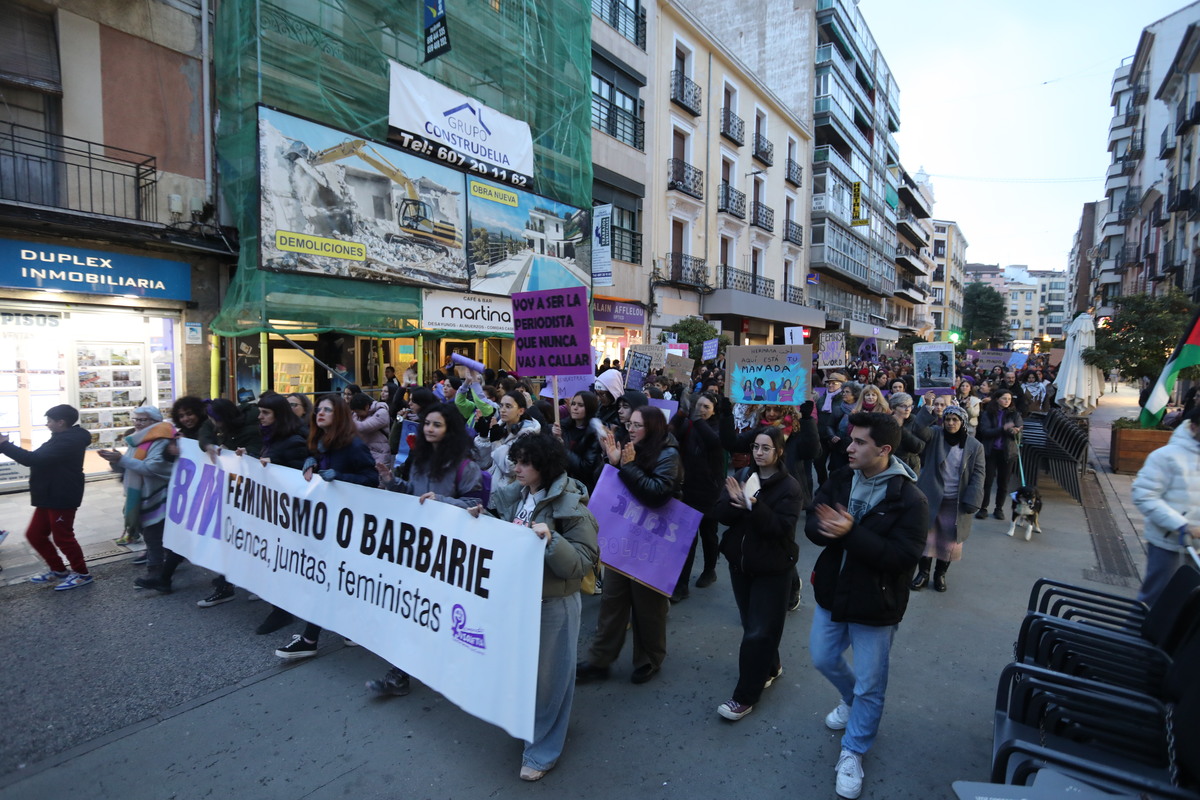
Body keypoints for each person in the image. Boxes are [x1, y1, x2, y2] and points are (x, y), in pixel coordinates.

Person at [806, 412, 929, 800]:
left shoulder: (910, 498)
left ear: (885, 450)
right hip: (833, 592)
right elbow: (814, 518)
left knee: (872, 684)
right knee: (823, 658)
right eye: (850, 438)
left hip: (876, 604)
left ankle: (853, 751)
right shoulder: (841, 477)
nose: (849, 446)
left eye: (859, 442)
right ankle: (849, 700)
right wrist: (823, 529)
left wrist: (851, 533)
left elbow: (901, 558)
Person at [479, 433, 599, 781]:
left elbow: (583, 562)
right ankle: (533, 726)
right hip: (519, 602)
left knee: (551, 679)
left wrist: (552, 539)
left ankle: (542, 752)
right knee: (526, 675)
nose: (516, 468)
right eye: (515, 461)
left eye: (524, 463)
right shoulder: (515, 496)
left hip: (554, 603)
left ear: (544, 467)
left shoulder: (571, 505)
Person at [367, 402, 486, 695]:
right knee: (415, 610)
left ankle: (457, 672)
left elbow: (478, 506)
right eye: (427, 424)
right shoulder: (418, 459)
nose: (429, 429)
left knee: (444, 612)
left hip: (449, 551)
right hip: (419, 546)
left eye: (437, 425)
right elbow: (413, 494)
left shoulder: (465, 466)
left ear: (450, 430)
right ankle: (400, 673)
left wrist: (443, 503)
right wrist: (391, 481)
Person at [578, 407, 682, 684]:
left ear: (654, 428)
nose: (630, 429)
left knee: (648, 606)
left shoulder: (669, 455)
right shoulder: (629, 448)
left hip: (652, 542)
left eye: (638, 425)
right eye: (630, 424)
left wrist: (628, 466)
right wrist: (612, 462)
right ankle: (600, 659)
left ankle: (649, 658)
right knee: (612, 600)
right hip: (623, 536)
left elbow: (658, 494)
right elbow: (609, 483)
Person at [275, 394, 380, 660]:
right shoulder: (320, 442)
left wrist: (341, 477)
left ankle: (310, 639)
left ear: (340, 415)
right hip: (327, 522)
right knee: (332, 578)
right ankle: (351, 629)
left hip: (348, 525)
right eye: (318, 409)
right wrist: (310, 462)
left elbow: (371, 479)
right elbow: (319, 472)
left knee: (325, 578)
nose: (319, 413)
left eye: (327, 410)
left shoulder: (353, 445)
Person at [713, 426, 803, 721]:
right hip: (741, 565)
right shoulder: (742, 477)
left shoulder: (789, 487)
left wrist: (753, 505)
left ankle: (744, 697)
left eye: (766, 448)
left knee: (758, 632)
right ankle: (771, 667)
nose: (759, 453)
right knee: (753, 624)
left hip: (772, 569)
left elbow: (780, 528)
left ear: (779, 452)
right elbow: (720, 514)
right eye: (755, 447)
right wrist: (734, 504)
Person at [0, 405, 94, 590]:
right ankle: (58, 570)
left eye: (50, 421)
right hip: (49, 494)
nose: (47, 424)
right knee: (34, 534)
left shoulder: (69, 441)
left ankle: (82, 574)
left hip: (62, 495)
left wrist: (4, 445)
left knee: (63, 538)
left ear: (61, 422)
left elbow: (32, 459)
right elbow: (37, 458)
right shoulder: (60, 437)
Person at [99, 407, 177, 589]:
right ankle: (167, 566)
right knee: (155, 536)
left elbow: (153, 468)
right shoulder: (139, 439)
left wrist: (121, 460)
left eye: (142, 420)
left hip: (157, 496)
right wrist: (114, 460)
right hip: (143, 496)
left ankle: (156, 573)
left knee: (153, 536)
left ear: (155, 422)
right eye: (135, 419)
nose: (137, 423)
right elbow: (129, 466)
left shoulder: (161, 439)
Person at [910, 405, 985, 593]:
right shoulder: (936, 435)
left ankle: (940, 575)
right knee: (926, 537)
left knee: (949, 541)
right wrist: (927, 408)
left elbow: (978, 474)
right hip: (932, 495)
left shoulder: (975, 446)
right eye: (948, 419)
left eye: (955, 420)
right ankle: (923, 574)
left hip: (956, 500)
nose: (951, 423)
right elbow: (919, 429)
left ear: (963, 422)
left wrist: (973, 498)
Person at [1131, 404, 1200, 605]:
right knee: (1154, 601)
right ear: (1194, 427)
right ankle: (1134, 635)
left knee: (1189, 608)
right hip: (1168, 544)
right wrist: (1182, 525)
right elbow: (1144, 495)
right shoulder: (1166, 456)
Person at [670, 391, 725, 599]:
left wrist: (694, 417)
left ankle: (710, 570)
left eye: (706, 407)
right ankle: (681, 585)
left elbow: (712, 441)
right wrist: (681, 413)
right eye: (698, 405)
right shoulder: (690, 425)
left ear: (713, 411)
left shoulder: (716, 428)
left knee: (709, 534)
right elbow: (671, 432)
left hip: (710, 490)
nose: (701, 410)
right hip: (689, 489)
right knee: (687, 538)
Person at [475, 390, 539, 491]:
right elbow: (483, 462)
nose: (502, 410)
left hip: (510, 494)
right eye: (501, 406)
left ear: (521, 411)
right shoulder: (499, 426)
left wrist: (496, 442)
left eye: (508, 406)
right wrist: (484, 437)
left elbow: (510, 468)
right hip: (491, 489)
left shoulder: (527, 435)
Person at [975, 389, 1022, 521]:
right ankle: (983, 508)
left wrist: (1015, 431)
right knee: (987, 481)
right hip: (991, 451)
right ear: (997, 399)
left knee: (1003, 482)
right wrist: (1003, 428)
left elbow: (1019, 430)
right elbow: (985, 431)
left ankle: (999, 508)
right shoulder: (987, 413)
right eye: (1004, 398)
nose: (1007, 401)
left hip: (1008, 452)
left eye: (1009, 399)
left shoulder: (1014, 414)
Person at [552, 390, 605, 492]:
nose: (575, 408)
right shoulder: (563, 426)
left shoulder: (594, 433)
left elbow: (585, 467)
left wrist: (563, 448)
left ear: (590, 408)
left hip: (581, 488)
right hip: (561, 483)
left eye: (580, 405)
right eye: (573, 404)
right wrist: (554, 438)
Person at [348, 391, 391, 466]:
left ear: (367, 406)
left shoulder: (382, 412)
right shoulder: (357, 414)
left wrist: (347, 421)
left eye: (358, 412)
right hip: (365, 453)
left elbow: (363, 427)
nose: (357, 415)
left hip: (380, 455)